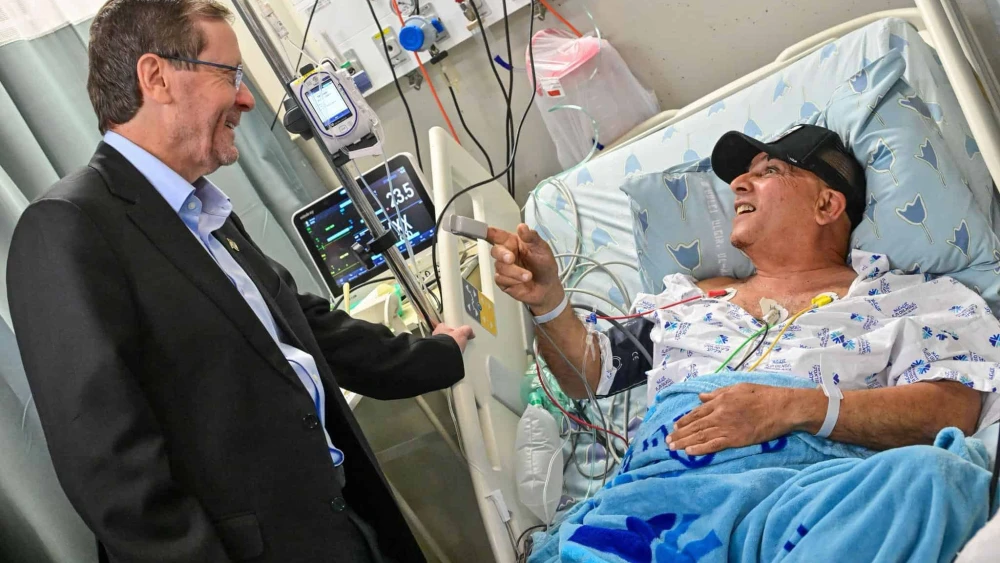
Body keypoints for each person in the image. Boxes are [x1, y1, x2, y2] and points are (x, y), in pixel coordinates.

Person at [6, 1, 472, 562]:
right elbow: (114, 478)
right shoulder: (69, 227)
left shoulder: (206, 212)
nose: (248, 98)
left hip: (338, 526)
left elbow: (305, 330)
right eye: (231, 75)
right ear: (156, 77)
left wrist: (439, 352)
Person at [488, 123, 1000, 458]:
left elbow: (950, 411)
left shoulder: (913, 301)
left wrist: (796, 409)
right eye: (742, 176)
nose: (738, 185)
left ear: (827, 207)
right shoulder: (690, 301)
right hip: (667, 495)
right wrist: (548, 301)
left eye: (769, 172)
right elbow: (590, 373)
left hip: (816, 492)